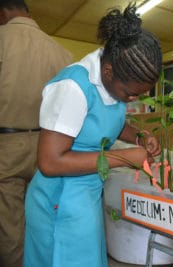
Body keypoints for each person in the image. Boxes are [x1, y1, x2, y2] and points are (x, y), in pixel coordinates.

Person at [23, 4, 162, 267]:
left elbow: (108, 123)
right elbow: (50, 162)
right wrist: (124, 157)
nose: (133, 99)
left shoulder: (114, 82)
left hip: (86, 196)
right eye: (130, 94)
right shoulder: (73, 87)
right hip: (59, 202)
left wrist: (139, 137)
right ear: (108, 72)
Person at [0, 0, 72, 266]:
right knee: (43, 217)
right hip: (50, 147)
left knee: (10, 226)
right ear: (28, 13)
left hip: (7, 144)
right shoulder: (61, 52)